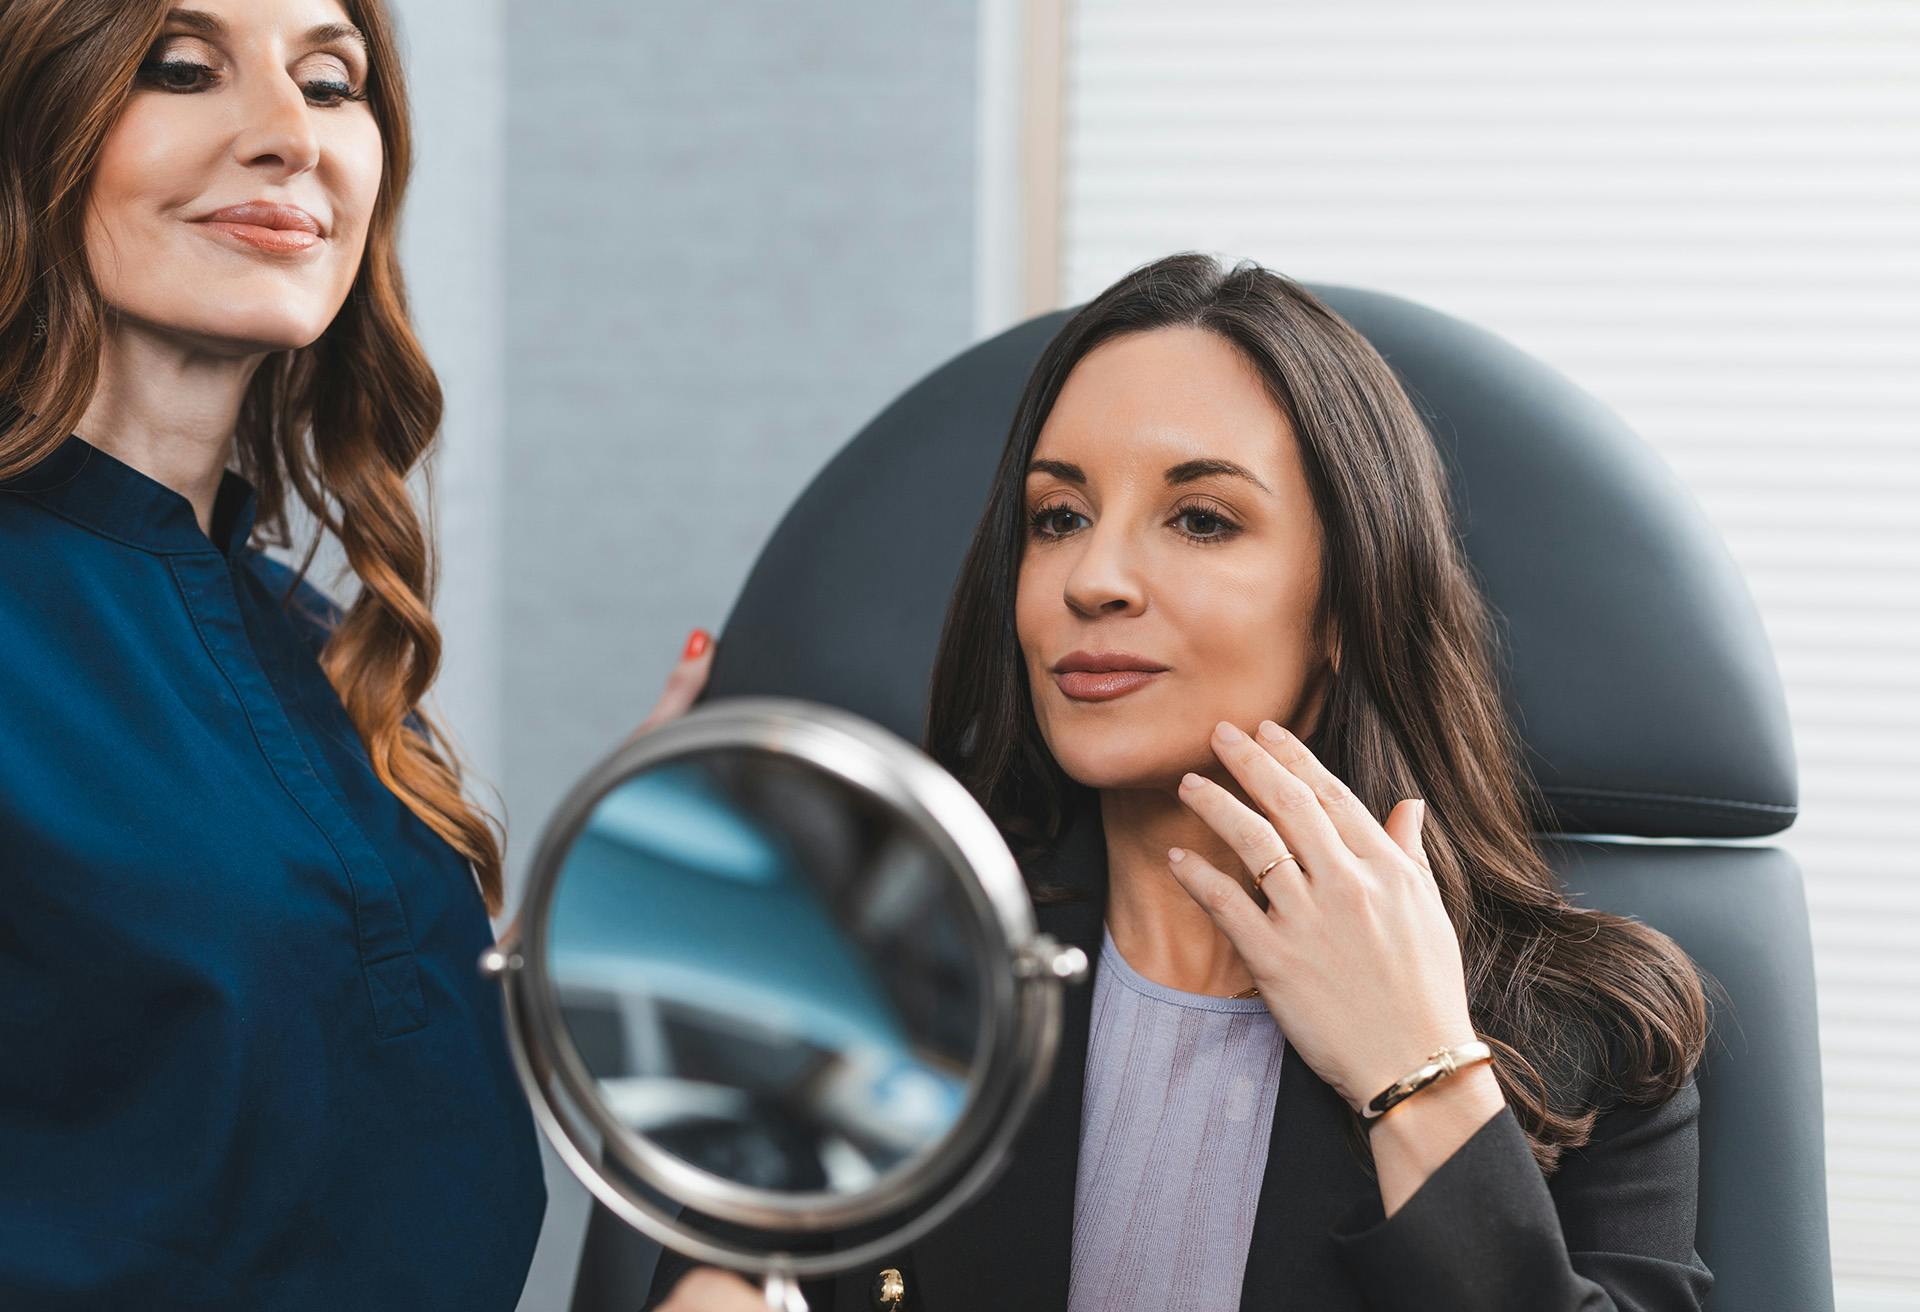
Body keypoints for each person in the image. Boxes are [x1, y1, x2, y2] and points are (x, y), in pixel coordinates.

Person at [648, 253, 1720, 1311]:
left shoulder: (1590, 1030)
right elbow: (735, 1255)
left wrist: (1419, 1076)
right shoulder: (877, 962)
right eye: (1058, 517)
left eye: (1201, 518)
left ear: (1346, 602)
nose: (1093, 579)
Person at [0, 1, 713, 1305]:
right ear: (34, 121)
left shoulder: (316, 646)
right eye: (182, 67)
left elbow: (344, 1111)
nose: (292, 137)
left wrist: (612, 892)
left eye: (333, 83)